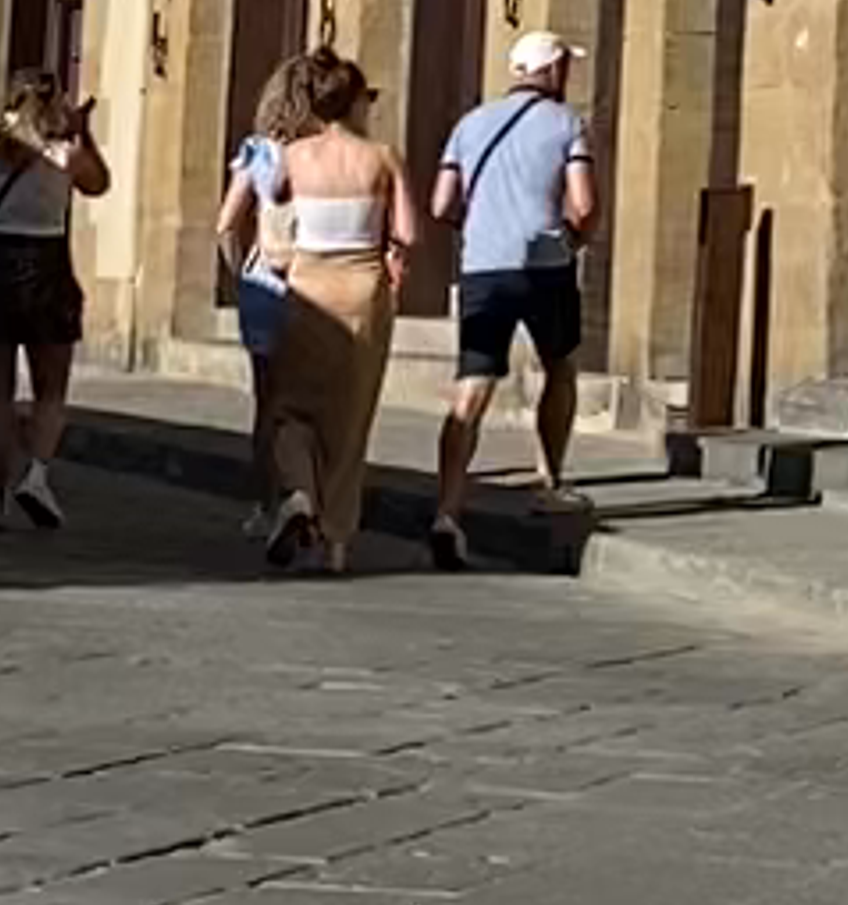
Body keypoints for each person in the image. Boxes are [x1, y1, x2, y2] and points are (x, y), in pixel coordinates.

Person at [426, 30, 600, 566]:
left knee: (472, 388)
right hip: (545, 266)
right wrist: (571, 239)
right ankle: (551, 478)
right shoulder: (567, 124)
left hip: (483, 265)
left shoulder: (469, 125)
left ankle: (448, 510)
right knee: (560, 367)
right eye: (564, 66)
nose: (567, 75)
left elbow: (440, 204)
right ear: (549, 71)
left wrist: (480, 228)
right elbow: (585, 204)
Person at [255, 47, 418, 578]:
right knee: (350, 422)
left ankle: (300, 494)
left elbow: (275, 195)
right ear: (354, 104)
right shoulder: (383, 156)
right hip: (364, 290)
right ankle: (337, 542)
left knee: (289, 410)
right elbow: (409, 233)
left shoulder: (295, 156)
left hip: (308, 286)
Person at [0, 73, 111, 534]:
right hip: (47, 267)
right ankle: (37, 476)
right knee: (50, 390)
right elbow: (99, 184)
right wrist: (82, 132)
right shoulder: (62, 156)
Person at [215, 96, 298, 515]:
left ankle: (266, 504)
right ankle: (307, 497)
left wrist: (241, 278)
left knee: (268, 403)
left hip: (264, 280)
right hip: (316, 282)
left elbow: (226, 226)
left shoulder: (259, 152)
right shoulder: (330, 151)